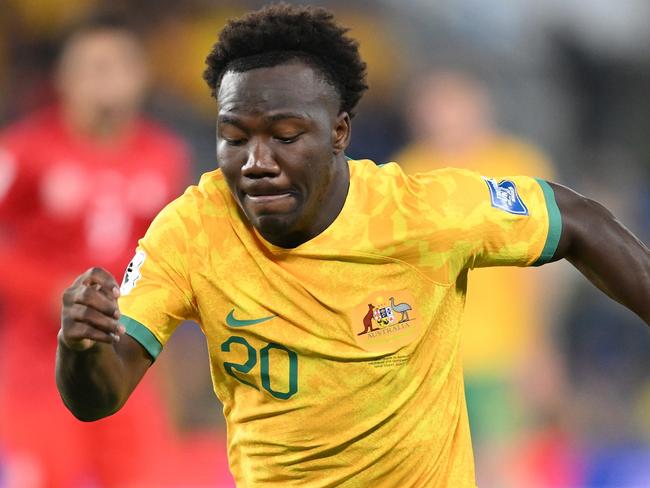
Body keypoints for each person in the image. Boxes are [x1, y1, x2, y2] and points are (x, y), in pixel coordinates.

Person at [55, 4, 650, 487]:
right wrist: (81, 347)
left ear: (339, 131)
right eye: (234, 138)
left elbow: (576, 218)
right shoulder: (191, 230)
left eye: (286, 136)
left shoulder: (416, 211)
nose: (257, 162)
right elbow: (98, 397)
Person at [0, 11, 214, 487]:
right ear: (64, 78)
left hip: (126, 367)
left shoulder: (165, 157)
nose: (106, 81)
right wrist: (48, 291)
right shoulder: (23, 151)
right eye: (92, 68)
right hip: (38, 371)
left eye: (117, 66)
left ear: (141, 75)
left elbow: (172, 256)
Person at [393, 70, 573, 485]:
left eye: (452, 104)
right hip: (429, 357)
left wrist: (540, 347)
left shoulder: (516, 167)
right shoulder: (407, 173)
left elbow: (541, 271)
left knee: (505, 468)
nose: (442, 117)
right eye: (431, 107)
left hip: (501, 354)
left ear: (479, 106)